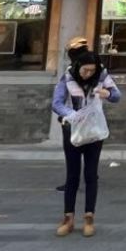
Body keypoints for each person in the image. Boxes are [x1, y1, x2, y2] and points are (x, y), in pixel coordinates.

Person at [52, 48, 121, 237]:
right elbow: (57, 103)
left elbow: (117, 96)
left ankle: (89, 218)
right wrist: (71, 114)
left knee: (91, 174)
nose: (88, 74)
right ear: (78, 67)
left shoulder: (102, 76)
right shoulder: (68, 77)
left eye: (92, 70)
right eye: (85, 70)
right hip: (72, 130)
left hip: (94, 130)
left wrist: (107, 94)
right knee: (72, 175)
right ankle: (68, 218)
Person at [54, 37, 91, 193]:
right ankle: (91, 179)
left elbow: (57, 102)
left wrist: (69, 114)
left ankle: (72, 184)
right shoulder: (98, 71)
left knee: (72, 155)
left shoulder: (70, 73)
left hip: (73, 119)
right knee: (90, 153)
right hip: (92, 118)